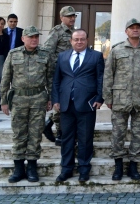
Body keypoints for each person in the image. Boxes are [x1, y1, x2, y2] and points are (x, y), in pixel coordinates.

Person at [0, 26, 55, 183]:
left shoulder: (45, 54)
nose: (34, 39)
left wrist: (50, 98)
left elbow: (50, 78)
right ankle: (18, 168)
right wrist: (4, 101)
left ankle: (32, 167)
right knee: (19, 134)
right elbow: (5, 78)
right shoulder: (13, 54)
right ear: (23, 38)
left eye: (36, 37)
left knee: (35, 134)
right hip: (18, 99)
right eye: (31, 37)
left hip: (38, 99)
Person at [103, 18, 140, 181]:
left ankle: (134, 166)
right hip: (120, 99)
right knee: (118, 133)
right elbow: (108, 74)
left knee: (139, 134)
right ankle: (118, 165)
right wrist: (108, 97)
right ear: (126, 31)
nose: (135, 30)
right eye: (132, 28)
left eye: (137, 27)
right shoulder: (117, 50)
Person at [52, 29, 105, 182]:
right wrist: (56, 99)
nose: (79, 42)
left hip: (87, 103)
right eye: (76, 39)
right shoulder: (62, 56)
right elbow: (56, 80)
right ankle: (66, 169)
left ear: (87, 40)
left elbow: (101, 78)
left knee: (85, 138)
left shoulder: (96, 56)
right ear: (71, 41)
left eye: (82, 39)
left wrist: (99, 98)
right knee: (66, 138)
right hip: (66, 104)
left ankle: (84, 169)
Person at [43, 6, 76, 145]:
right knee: (59, 103)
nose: (72, 18)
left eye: (74, 16)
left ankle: (49, 124)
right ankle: (60, 133)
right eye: (69, 16)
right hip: (58, 73)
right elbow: (47, 51)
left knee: (67, 102)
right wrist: (54, 68)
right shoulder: (57, 31)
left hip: (70, 74)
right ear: (62, 18)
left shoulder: (74, 33)